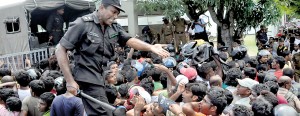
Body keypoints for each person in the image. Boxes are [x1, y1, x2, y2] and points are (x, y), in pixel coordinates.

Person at [55, 0, 170, 115]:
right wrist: (70, 80)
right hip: (87, 78)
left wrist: (150, 47)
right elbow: (60, 49)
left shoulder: (114, 27)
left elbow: (129, 40)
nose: (115, 16)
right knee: (105, 113)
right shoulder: (83, 24)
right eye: (113, 12)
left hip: (103, 78)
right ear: (101, 8)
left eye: (117, 13)